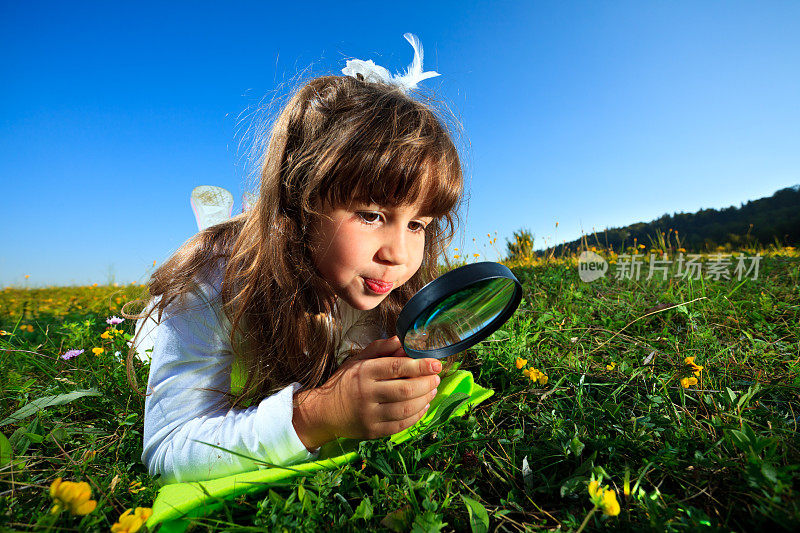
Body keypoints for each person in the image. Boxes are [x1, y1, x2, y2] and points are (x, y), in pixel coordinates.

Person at [124, 34, 466, 484]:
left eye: (418, 224)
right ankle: (216, 228)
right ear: (298, 201)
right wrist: (319, 413)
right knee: (162, 325)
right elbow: (168, 448)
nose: (398, 254)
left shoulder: (383, 286)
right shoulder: (210, 282)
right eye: (370, 214)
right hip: (213, 301)